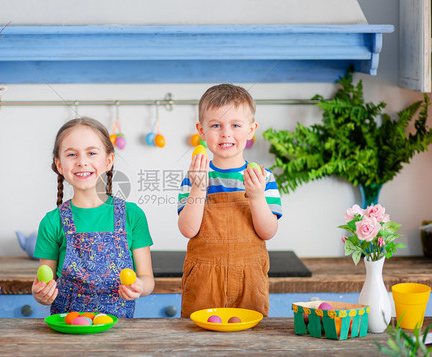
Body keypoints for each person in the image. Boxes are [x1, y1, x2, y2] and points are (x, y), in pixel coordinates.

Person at [32, 117, 154, 318]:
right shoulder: (52, 222)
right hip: (67, 331)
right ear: (59, 165)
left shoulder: (133, 215)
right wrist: (40, 294)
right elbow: (46, 283)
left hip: (119, 332)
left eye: (91, 153)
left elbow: (147, 279)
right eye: (72, 154)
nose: (82, 161)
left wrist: (140, 286)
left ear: (108, 160)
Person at [177, 84, 282, 317]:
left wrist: (256, 195)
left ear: (251, 129)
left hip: (249, 279)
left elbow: (268, 231)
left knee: (249, 343)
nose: (225, 133)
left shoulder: (262, 178)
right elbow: (188, 229)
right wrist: (198, 188)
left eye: (236, 125)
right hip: (203, 282)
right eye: (216, 125)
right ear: (201, 131)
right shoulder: (194, 176)